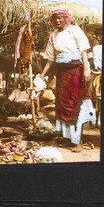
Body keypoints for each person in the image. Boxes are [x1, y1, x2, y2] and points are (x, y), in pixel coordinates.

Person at [40, 9, 96, 152]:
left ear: (66, 18)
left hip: (76, 71)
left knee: (76, 103)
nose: (58, 21)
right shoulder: (53, 35)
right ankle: (68, 139)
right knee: (63, 105)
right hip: (62, 74)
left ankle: (79, 142)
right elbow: (50, 58)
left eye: (60, 18)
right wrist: (42, 74)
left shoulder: (75, 30)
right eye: (55, 18)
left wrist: (86, 70)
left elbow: (83, 51)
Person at [92, 27, 102, 127]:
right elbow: (96, 63)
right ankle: (96, 118)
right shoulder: (96, 48)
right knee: (95, 92)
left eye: (101, 36)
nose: (99, 38)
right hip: (99, 72)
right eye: (97, 36)